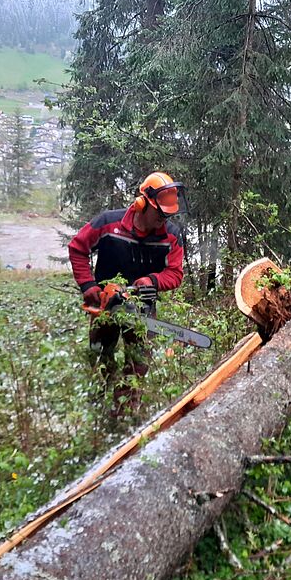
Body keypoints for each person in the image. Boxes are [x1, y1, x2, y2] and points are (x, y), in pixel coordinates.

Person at [68, 171, 186, 414]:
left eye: (168, 214)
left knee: (138, 364)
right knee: (100, 356)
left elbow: (175, 274)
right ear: (143, 203)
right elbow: (77, 248)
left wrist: (152, 280)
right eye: (160, 213)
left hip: (142, 309)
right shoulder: (108, 223)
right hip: (106, 306)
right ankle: (98, 406)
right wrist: (88, 285)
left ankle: (123, 412)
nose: (163, 219)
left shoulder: (172, 236)